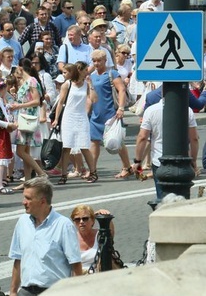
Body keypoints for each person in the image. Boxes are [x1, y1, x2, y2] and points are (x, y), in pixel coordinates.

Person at [8, 176, 83, 296]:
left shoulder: (63, 225)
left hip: (55, 294)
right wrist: (13, 291)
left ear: (42, 201)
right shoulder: (22, 223)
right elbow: (18, 259)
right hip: (28, 294)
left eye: (28, 198)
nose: (23, 202)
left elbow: (75, 265)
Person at [134, 92, 199, 200]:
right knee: (182, 200)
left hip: (159, 162)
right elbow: (194, 138)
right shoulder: (187, 110)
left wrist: (138, 161)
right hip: (182, 161)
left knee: (163, 199)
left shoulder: (151, 111)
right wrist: (194, 160)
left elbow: (142, 138)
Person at [89, 49, 133, 180]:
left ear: (105, 61)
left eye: (99, 61)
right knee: (94, 142)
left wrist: (121, 108)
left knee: (118, 141)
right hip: (96, 114)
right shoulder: (92, 76)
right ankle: (93, 170)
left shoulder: (112, 73)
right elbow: (89, 96)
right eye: (94, 61)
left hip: (110, 113)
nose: (96, 63)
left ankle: (127, 167)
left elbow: (121, 90)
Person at [53, 63, 97, 185]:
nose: (87, 72)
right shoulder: (67, 84)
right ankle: (63, 175)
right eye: (85, 70)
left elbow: (94, 100)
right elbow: (61, 102)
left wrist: (90, 84)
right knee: (66, 147)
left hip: (81, 117)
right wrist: (56, 119)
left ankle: (93, 172)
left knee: (84, 146)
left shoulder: (86, 85)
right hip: (68, 117)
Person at [9, 58, 47, 185]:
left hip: (27, 118)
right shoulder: (26, 82)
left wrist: (19, 106)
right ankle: (27, 180)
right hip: (23, 117)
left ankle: (41, 173)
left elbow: (37, 101)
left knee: (20, 151)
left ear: (20, 68)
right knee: (25, 152)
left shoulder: (31, 81)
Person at [70, 204, 114, 274]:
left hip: (99, 274)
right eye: (77, 219)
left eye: (85, 219)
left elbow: (110, 234)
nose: (81, 222)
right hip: (79, 275)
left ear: (93, 221)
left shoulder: (100, 235)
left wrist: (105, 216)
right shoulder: (71, 239)